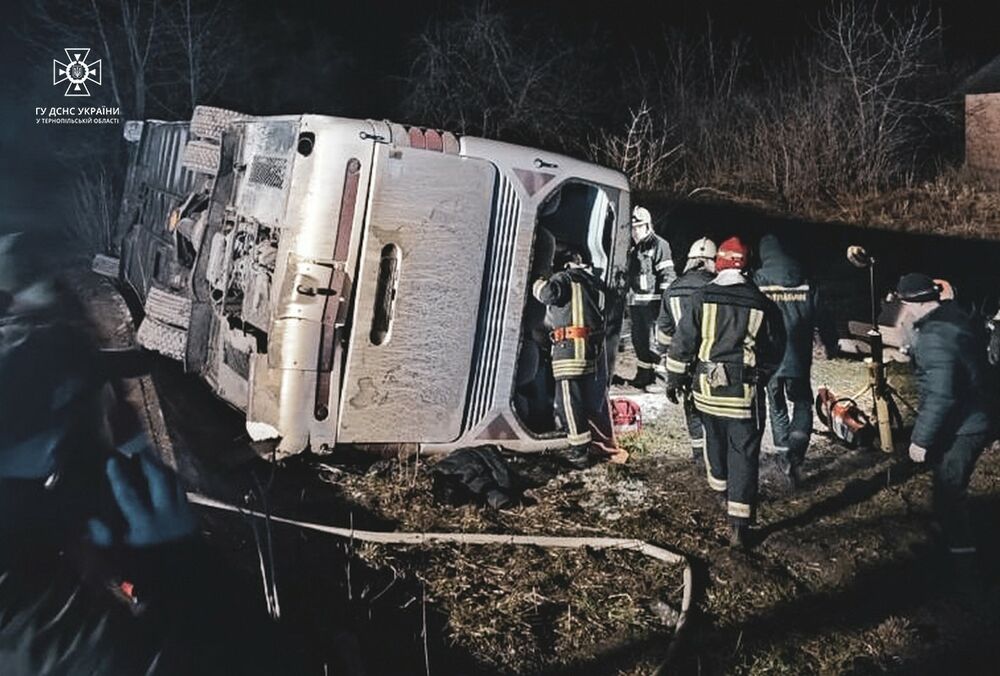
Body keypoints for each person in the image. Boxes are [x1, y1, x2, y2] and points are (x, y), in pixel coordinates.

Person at [0, 249, 309, 674]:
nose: (127, 442)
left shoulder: (29, 546)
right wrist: (181, 570)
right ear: (56, 461)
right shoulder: (32, 618)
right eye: (105, 430)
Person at [664, 237, 785, 548]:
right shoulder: (762, 303)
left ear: (717, 262)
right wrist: (762, 375)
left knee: (713, 443)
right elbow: (775, 349)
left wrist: (674, 380)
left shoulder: (701, 297)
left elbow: (682, 343)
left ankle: (719, 490)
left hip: (706, 393)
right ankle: (739, 525)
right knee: (743, 454)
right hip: (743, 396)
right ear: (746, 265)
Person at [896, 273, 994, 558]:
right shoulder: (951, 317)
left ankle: (962, 557)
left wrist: (920, 440)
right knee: (946, 483)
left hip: (966, 423)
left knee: (949, 489)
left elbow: (941, 394)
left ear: (910, 302)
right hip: (972, 413)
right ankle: (951, 539)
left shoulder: (934, 335)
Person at [753, 234, 838, 487]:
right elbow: (822, 315)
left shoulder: (759, 279)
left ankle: (783, 455)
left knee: (776, 403)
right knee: (802, 403)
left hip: (770, 356)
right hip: (799, 357)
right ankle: (796, 453)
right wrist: (831, 343)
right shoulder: (805, 278)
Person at [533, 245, 626, 469]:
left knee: (568, 400)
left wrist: (536, 279)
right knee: (582, 399)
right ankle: (591, 442)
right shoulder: (594, 283)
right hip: (590, 350)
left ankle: (579, 451)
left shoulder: (564, 278)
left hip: (569, 349)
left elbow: (548, 294)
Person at [656, 237, 717, 463]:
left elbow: (663, 331)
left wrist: (667, 358)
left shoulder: (672, 289)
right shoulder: (716, 287)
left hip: (683, 361)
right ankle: (715, 455)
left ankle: (699, 454)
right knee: (714, 408)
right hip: (711, 360)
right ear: (711, 261)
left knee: (690, 405)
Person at [626, 206, 674, 391]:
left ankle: (661, 380)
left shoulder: (659, 245)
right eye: (632, 228)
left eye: (638, 227)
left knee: (656, 341)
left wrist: (665, 303)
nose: (635, 231)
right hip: (635, 302)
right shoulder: (631, 248)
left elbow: (667, 273)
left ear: (647, 225)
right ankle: (643, 375)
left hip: (653, 303)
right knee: (639, 340)